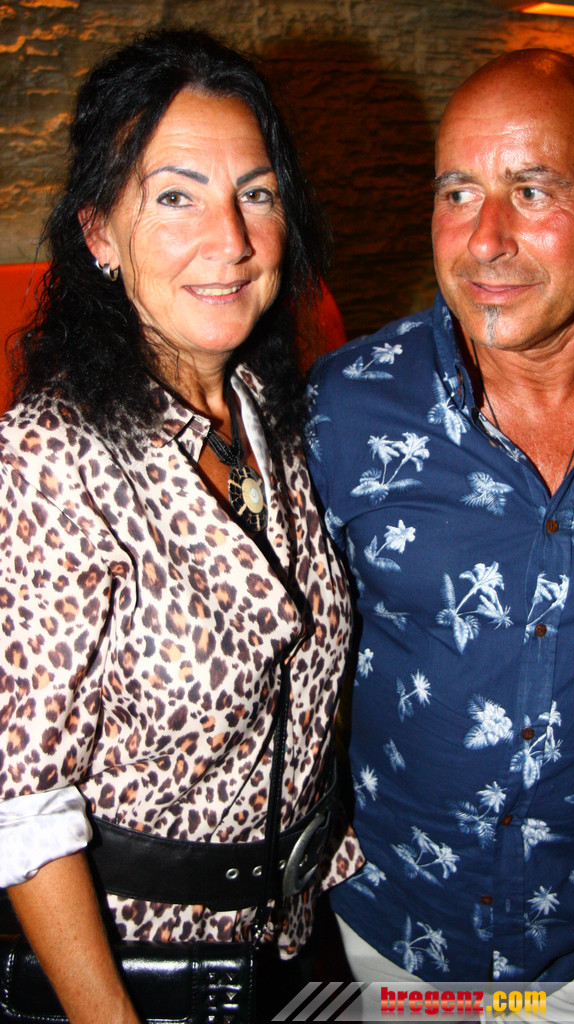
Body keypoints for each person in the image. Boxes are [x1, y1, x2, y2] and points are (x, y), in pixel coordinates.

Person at [307, 49, 574, 1019]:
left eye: (533, 189)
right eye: (458, 192)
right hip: (391, 936)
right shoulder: (344, 410)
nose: (485, 239)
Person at [0, 28, 362, 1024]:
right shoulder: (47, 458)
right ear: (99, 235)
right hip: (141, 975)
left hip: (296, 944)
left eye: (257, 193)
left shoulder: (266, 413)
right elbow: (20, 804)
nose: (231, 239)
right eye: (175, 196)